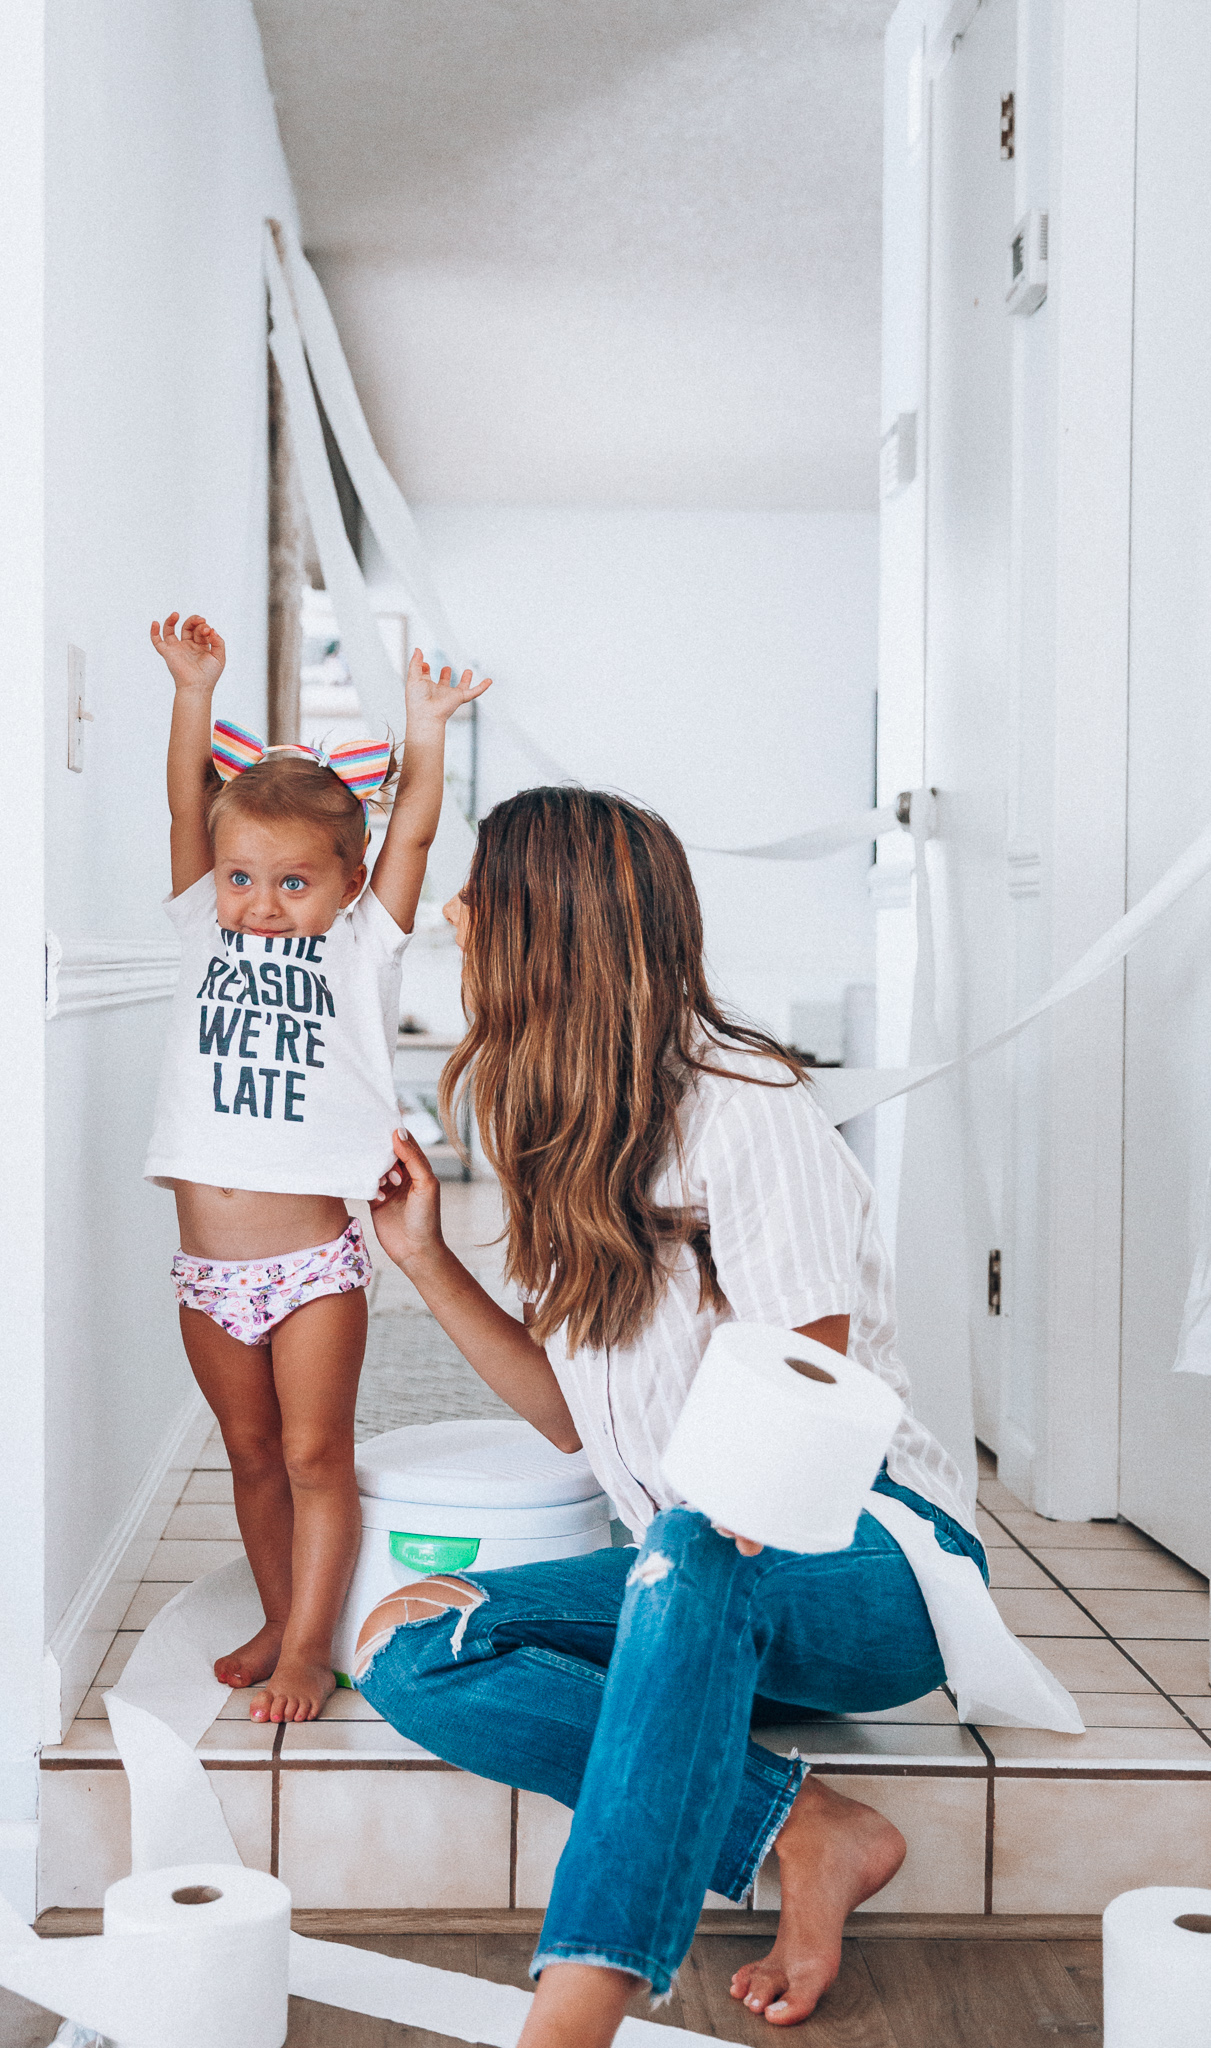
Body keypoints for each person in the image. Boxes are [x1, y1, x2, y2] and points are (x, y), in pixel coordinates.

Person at [354, 785, 1010, 2040]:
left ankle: (574, 2011)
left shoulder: (743, 1101)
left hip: (870, 1564)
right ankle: (806, 1824)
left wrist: (688, 1545)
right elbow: (565, 1415)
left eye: (477, 890)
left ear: (549, 927)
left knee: (693, 1535)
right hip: (691, 1564)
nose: (453, 912)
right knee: (408, 1642)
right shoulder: (563, 1127)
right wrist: (426, 1260)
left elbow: (799, 1408)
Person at [144, 611, 489, 1722]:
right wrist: (192, 692)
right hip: (206, 1269)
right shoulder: (206, 927)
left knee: (310, 1453)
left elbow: (417, 841)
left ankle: (309, 1649)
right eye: (244, 876)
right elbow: (182, 806)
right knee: (247, 1455)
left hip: (311, 1267)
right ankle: (278, 1612)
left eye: (293, 881)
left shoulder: (358, 947)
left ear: (345, 882)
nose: (259, 900)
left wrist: (424, 730)